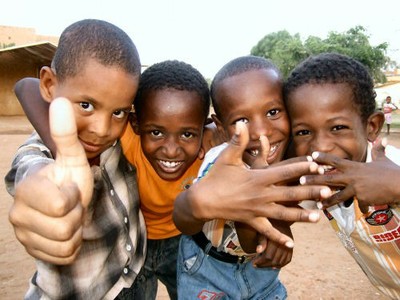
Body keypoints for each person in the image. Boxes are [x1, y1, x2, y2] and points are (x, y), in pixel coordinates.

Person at [13, 60, 211, 300]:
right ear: (136, 124)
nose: (171, 150)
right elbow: (27, 86)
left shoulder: (210, 148)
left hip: (181, 241)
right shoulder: (124, 134)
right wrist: (60, 150)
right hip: (140, 245)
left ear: (205, 128)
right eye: (156, 132)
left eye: (188, 134)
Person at [4, 19, 147, 299]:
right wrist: (40, 192)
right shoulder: (40, 153)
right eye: (86, 105)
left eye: (118, 112)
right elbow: (31, 174)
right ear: (49, 84)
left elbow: (27, 86)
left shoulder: (120, 137)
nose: (102, 129)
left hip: (132, 277)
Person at [175, 55, 316, 299]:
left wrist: (280, 227)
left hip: (260, 273)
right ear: (221, 127)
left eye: (273, 112)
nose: (261, 132)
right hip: (207, 268)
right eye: (241, 120)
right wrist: (273, 224)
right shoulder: (220, 163)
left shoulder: (295, 159)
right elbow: (186, 222)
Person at [283, 52, 400, 299]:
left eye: (338, 127)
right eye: (304, 132)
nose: (321, 146)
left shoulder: (390, 164)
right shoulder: (319, 179)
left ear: (372, 126)